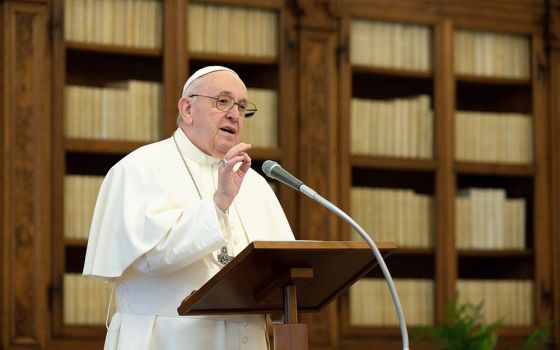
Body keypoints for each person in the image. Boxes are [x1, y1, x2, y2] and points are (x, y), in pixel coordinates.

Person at [83, 66, 295, 349]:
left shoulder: (254, 184)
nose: (234, 114)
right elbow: (153, 256)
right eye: (222, 101)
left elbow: (283, 270)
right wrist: (218, 204)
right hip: (165, 340)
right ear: (187, 109)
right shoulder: (138, 169)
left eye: (242, 107)